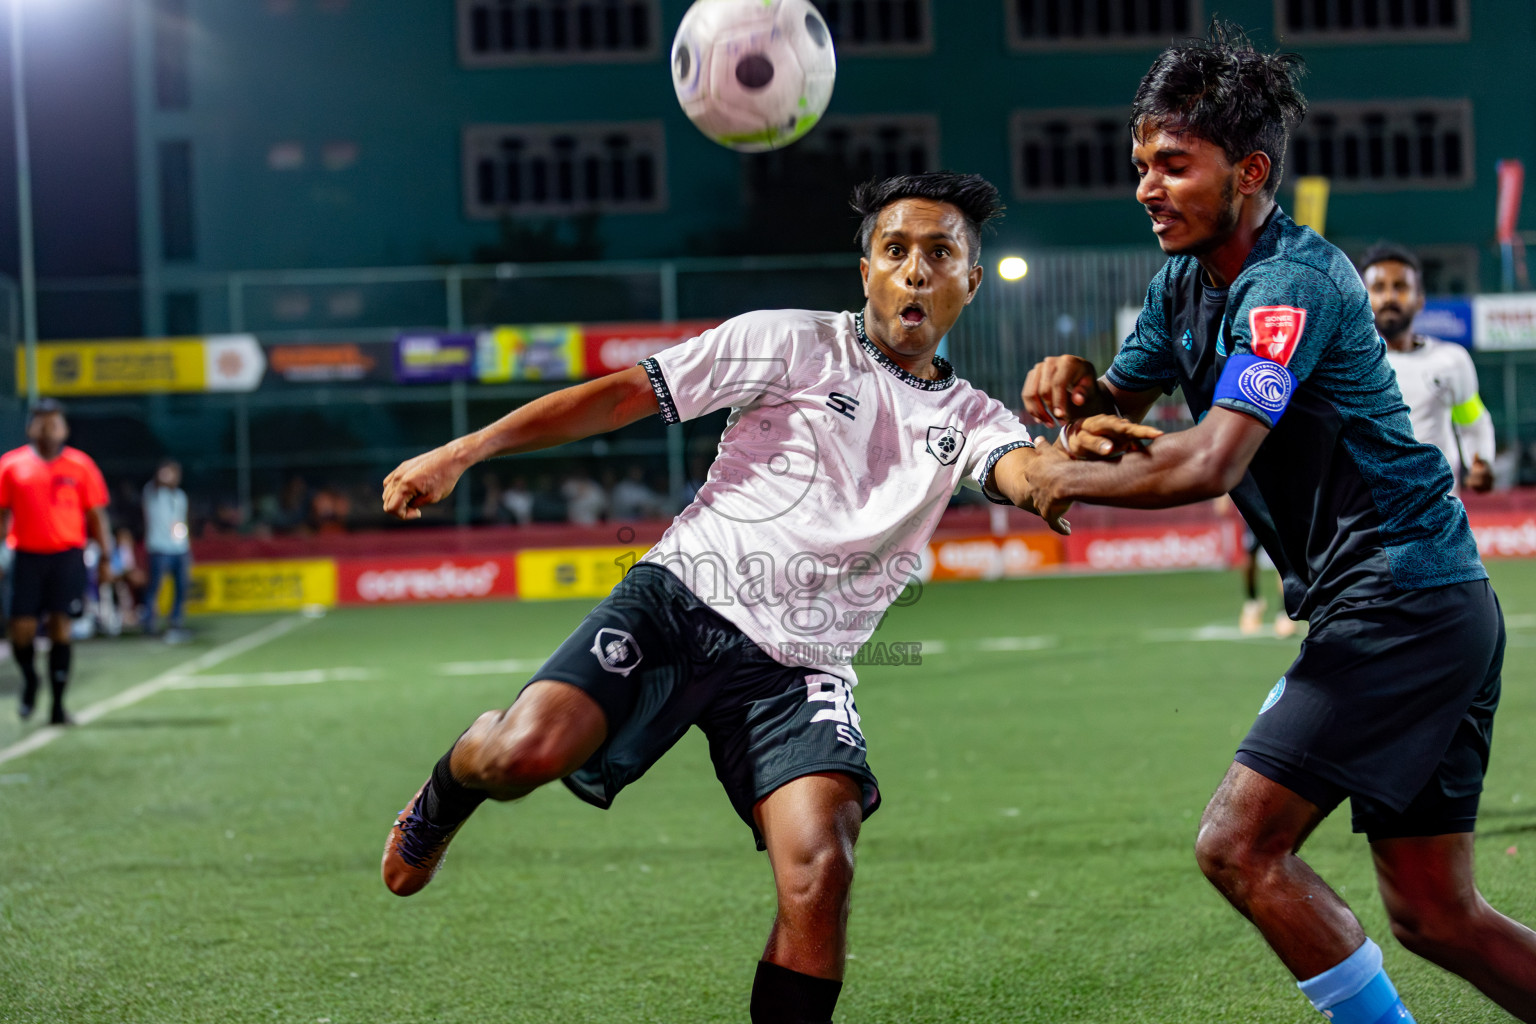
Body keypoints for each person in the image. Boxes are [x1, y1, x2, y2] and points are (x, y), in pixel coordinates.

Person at [377, 172, 1115, 1024]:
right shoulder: (787, 342)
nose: (916, 271)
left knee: (821, 866)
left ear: (969, 281)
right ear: (866, 268)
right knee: (523, 756)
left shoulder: (974, 416)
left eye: (940, 254)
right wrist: (463, 452)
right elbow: (623, 395)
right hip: (680, 600)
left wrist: (1077, 461)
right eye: (896, 250)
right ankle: (448, 789)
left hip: (799, 670)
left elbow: (1026, 471)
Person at [1019, 23, 1536, 1024]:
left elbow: (1211, 458)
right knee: (1436, 913)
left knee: (1238, 844)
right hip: (1424, 605)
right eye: (1141, 165)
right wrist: (1071, 398)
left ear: (1249, 171)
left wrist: (1056, 482)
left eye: (1175, 164)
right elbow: (1116, 416)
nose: (1147, 187)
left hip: (1404, 597)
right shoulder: (1181, 287)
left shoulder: (1289, 284)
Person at [0, 399, 114, 725]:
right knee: (20, 630)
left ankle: (58, 705)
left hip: (67, 556)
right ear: (30, 427)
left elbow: (96, 516)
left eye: (54, 423)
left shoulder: (81, 466)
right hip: (25, 557)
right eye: (41, 422)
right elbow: (1, 513)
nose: (47, 429)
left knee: (60, 627)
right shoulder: (11, 465)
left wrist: (105, 558)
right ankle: (30, 679)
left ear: (64, 428)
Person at [1361, 242, 1496, 495]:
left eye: (1400, 287)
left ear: (1420, 299)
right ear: (1363, 299)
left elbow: (1472, 422)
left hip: (1439, 515)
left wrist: (1481, 461)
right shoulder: (1348, 367)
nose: (1389, 297)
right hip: (1373, 517)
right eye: (1378, 288)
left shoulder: (1451, 361)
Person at [142, 458, 192, 643]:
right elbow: (157, 483)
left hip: (179, 548)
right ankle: (149, 622)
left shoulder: (179, 496)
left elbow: (181, 521)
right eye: (166, 472)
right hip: (159, 548)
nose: (170, 476)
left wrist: (185, 543)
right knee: (155, 586)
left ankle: (176, 621)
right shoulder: (152, 492)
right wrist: (161, 476)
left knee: (181, 586)